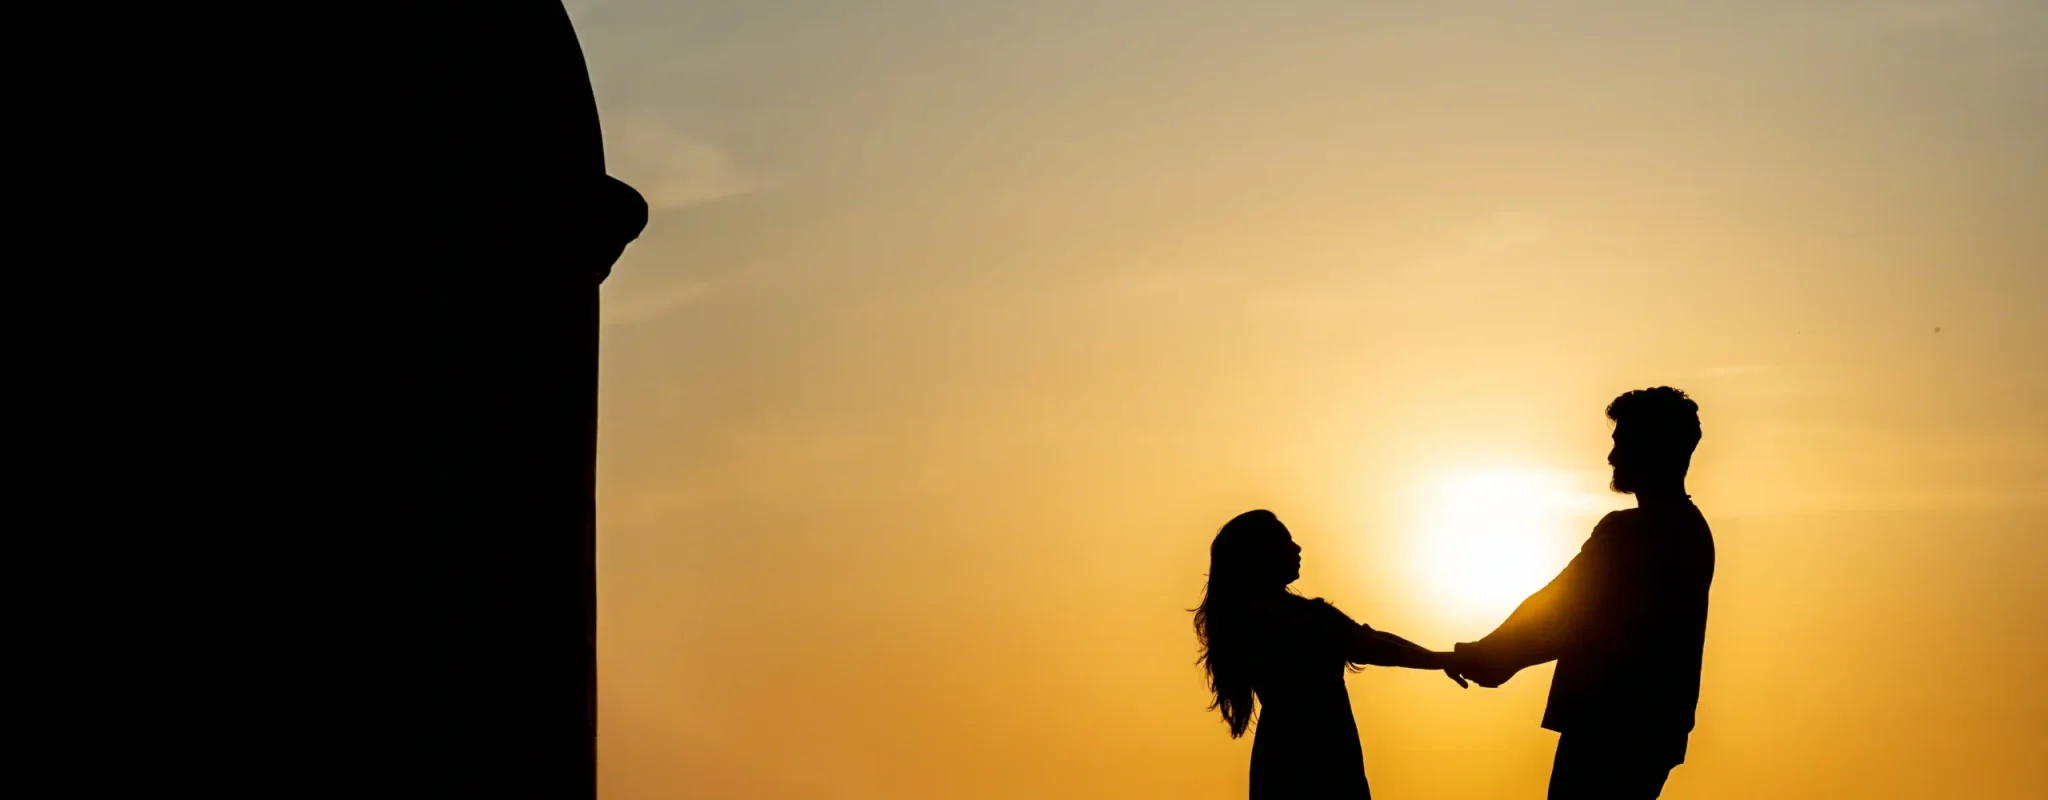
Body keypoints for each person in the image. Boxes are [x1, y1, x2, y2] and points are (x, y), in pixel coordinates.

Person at [1449, 387, 1716, 799]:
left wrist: (1495, 655)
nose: (1612, 457)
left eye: (1621, 442)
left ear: (1648, 447)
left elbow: (1567, 611)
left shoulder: (1631, 533)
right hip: (1650, 730)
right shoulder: (1692, 531)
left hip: (1610, 724)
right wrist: (1494, 652)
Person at [1194, 509, 1466, 799]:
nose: (1297, 548)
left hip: (1277, 755)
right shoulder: (1302, 619)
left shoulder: (1246, 621)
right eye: (1286, 542)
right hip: (1324, 753)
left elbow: (1371, 640)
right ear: (1262, 554)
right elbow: (1372, 644)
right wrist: (1442, 660)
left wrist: (1441, 659)